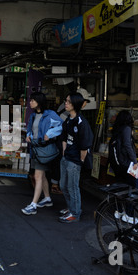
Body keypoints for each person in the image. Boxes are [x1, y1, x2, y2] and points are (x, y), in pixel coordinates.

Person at [21, 92, 63, 216]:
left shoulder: (50, 114)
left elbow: (60, 126)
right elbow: (30, 130)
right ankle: (47, 198)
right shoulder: (33, 116)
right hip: (36, 150)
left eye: (33, 100)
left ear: (39, 101)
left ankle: (33, 205)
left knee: (37, 176)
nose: (30, 102)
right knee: (42, 176)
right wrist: (28, 136)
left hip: (44, 150)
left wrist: (49, 134)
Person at [58, 92, 94, 223]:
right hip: (66, 158)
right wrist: (64, 152)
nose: (65, 103)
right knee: (63, 185)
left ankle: (75, 213)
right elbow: (64, 137)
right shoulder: (68, 119)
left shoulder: (82, 123)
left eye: (68, 101)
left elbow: (85, 146)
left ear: (75, 105)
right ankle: (71, 207)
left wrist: (81, 161)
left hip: (75, 161)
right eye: (66, 100)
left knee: (72, 187)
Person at [109, 110, 138, 224]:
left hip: (118, 165)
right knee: (134, 187)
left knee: (121, 188)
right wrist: (135, 161)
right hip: (127, 164)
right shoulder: (127, 128)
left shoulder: (117, 129)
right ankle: (129, 215)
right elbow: (127, 145)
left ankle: (119, 211)